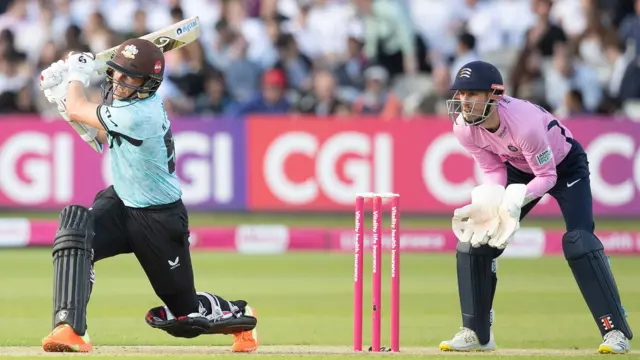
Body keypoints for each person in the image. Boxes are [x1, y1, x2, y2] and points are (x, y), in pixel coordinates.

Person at [38, 39, 259, 353]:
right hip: (120, 202)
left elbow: (80, 109)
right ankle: (70, 329)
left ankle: (239, 314)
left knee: (185, 319)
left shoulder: (141, 114)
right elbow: (99, 129)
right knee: (75, 229)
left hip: (159, 219)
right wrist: (67, 93)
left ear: (149, 85)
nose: (121, 83)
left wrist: (73, 78)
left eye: (131, 78)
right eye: (118, 74)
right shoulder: (125, 106)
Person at [440, 60, 632, 354]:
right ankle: (477, 333)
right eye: (461, 94)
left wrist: (516, 200)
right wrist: (491, 202)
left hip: (565, 167)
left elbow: (547, 176)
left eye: (472, 94)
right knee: (477, 240)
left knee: (580, 242)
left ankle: (615, 331)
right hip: (519, 169)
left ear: (494, 96)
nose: (464, 101)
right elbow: (493, 170)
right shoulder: (465, 129)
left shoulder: (524, 124)